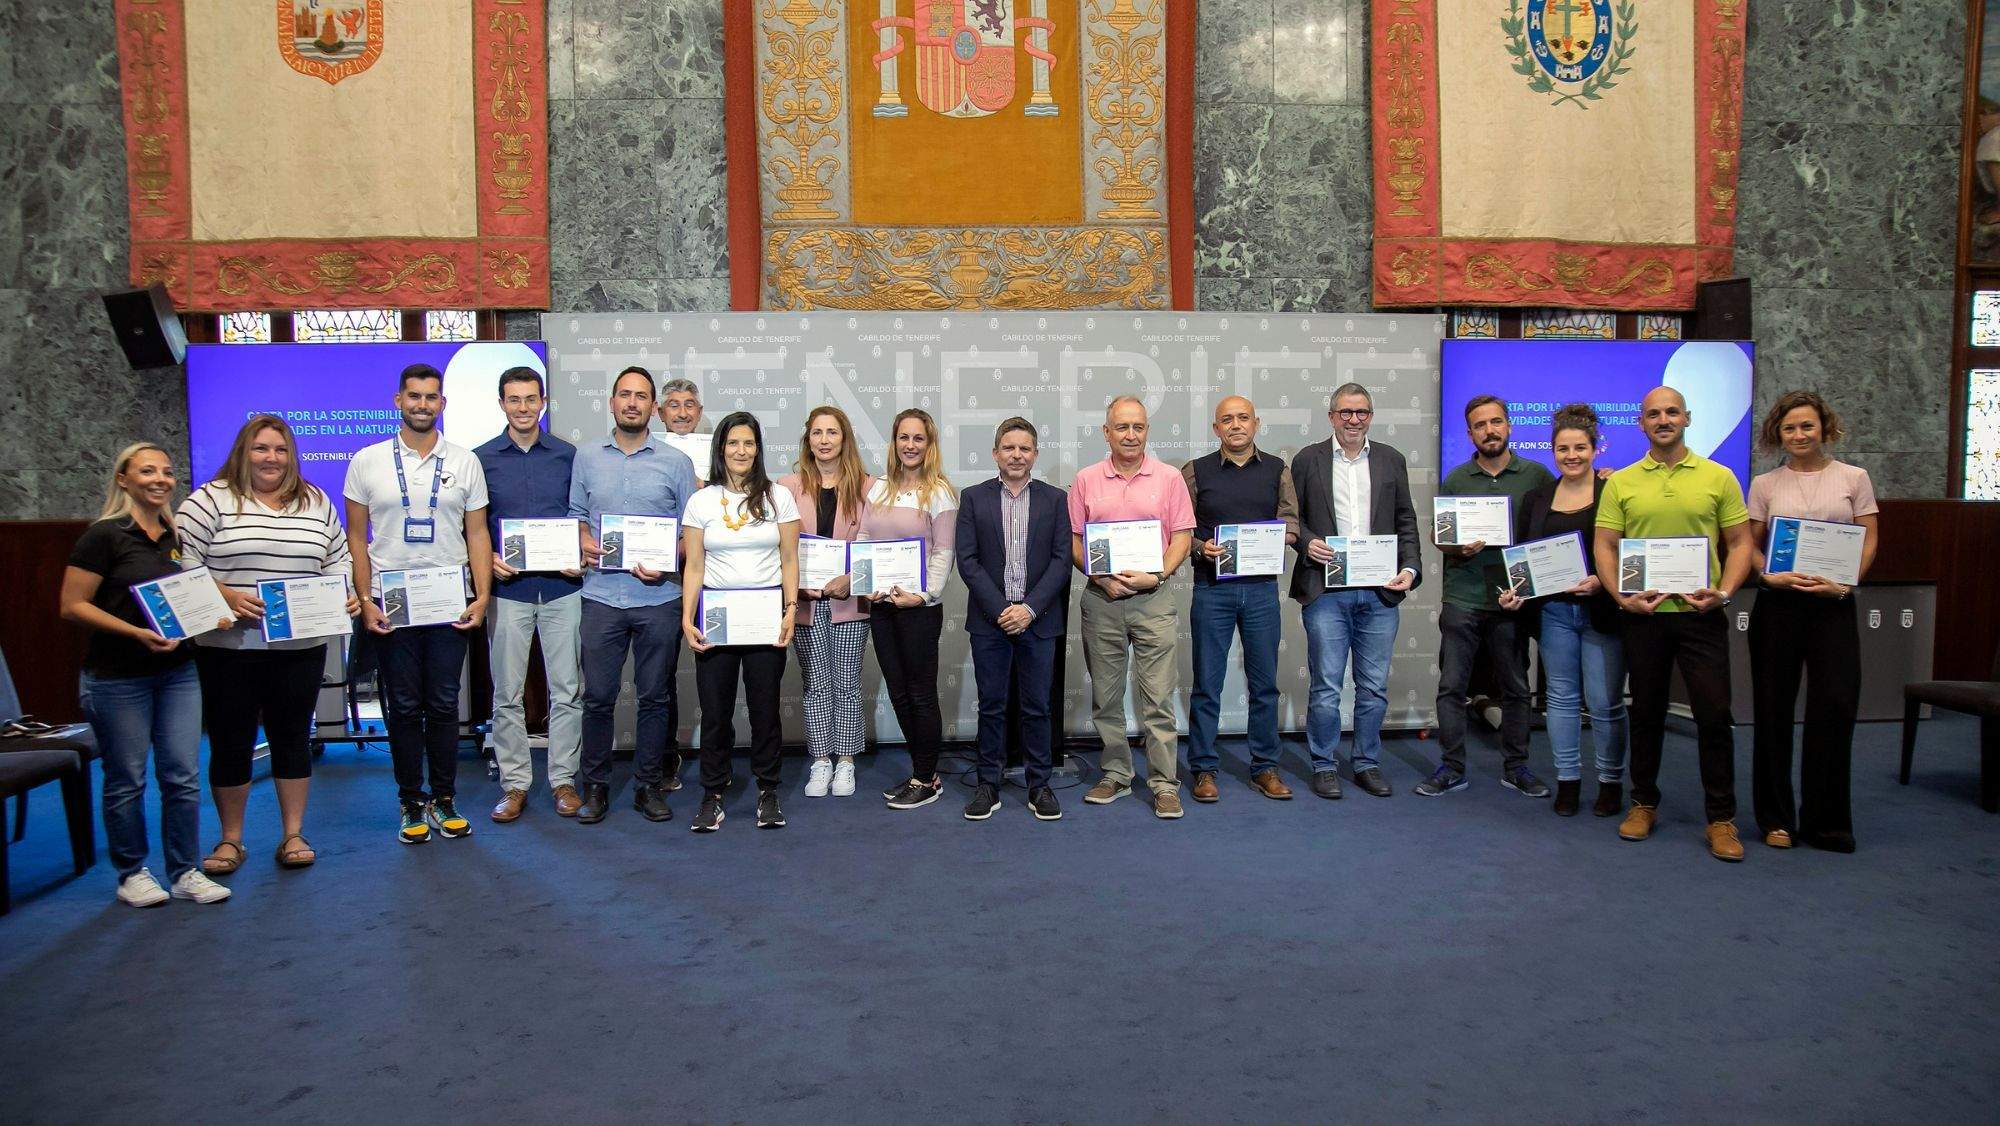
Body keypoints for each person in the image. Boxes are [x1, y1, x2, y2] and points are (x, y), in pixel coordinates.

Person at [179, 415, 356, 874]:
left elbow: (339, 557)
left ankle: (293, 834)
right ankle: (230, 840)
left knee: (293, 738)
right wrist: (225, 595)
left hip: (299, 648)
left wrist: (344, 594)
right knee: (231, 741)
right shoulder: (210, 500)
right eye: (261, 448)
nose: (271, 458)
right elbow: (180, 562)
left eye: (279, 449)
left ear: (291, 455)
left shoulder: (315, 500)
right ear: (243, 451)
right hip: (228, 647)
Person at [59, 443, 232, 906]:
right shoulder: (104, 536)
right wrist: (136, 632)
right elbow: (72, 605)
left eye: (167, 472)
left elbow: (184, 599)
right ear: (123, 479)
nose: (160, 479)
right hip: (117, 678)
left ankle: (184, 871)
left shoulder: (175, 536)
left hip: (177, 673)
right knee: (127, 778)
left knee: (182, 775)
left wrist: (210, 616)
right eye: (147, 471)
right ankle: (132, 872)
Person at [1592, 385, 1754, 862]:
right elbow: (1605, 545)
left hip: (1701, 615)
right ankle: (1643, 803)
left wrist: (1723, 592)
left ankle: (1721, 819)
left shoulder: (1718, 476)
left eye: (1671, 412)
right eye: (1653, 414)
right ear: (1641, 423)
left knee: (1713, 716)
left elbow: (1741, 542)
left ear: (1687, 418)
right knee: (1645, 713)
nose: (1663, 420)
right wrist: (1622, 597)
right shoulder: (1621, 482)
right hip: (1645, 617)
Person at [344, 363, 493, 846]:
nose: (422, 404)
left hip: (451, 600)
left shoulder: (465, 461)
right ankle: (410, 800)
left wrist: (483, 594)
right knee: (404, 707)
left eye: (431, 397)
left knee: (445, 703)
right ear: (398, 400)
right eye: (414, 396)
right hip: (392, 605)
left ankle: (444, 799)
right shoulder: (366, 461)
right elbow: (356, 537)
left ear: (442, 404)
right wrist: (365, 601)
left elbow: (476, 532)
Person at [568, 366, 702, 824]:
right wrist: (583, 540)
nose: (632, 402)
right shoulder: (585, 458)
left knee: (655, 698)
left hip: (658, 599)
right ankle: (597, 789)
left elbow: (692, 532)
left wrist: (670, 560)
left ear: (653, 408)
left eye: (641, 396)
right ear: (611, 403)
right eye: (624, 395)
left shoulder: (676, 463)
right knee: (598, 697)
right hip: (601, 597)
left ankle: (649, 786)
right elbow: (577, 515)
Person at [1747, 390, 1878, 853]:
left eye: (1807, 426)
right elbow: (1751, 545)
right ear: (1777, 434)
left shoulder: (1854, 478)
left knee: (1835, 709)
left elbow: (1868, 541)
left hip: (1833, 607)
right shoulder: (1765, 484)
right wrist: (1768, 574)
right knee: (1772, 711)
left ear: (1824, 427)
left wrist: (1844, 586)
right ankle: (1776, 819)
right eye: (1789, 428)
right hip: (1779, 608)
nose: (1799, 435)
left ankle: (1827, 823)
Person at [1418, 396, 1555, 799]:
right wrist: (1455, 547)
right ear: (1470, 433)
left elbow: (1550, 530)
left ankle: (1517, 767)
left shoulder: (1537, 476)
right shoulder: (1457, 479)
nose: (1489, 430)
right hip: (1462, 597)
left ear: (1509, 426)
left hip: (1512, 599)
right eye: (1480, 425)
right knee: (1452, 687)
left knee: (1515, 687)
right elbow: (1439, 537)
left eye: (1496, 422)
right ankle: (1452, 767)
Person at [1289, 384, 1421, 799]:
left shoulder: (1391, 459)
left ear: (1370, 416)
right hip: (1326, 590)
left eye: (1361, 412)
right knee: (1327, 685)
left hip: (1380, 592)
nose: (1353, 419)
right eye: (1345, 412)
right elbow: (1292, 519)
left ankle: (1366, 762)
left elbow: (1406, 519)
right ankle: (1324, 764)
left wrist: (1412, 567)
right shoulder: (1307, 459)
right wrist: (1305, 540)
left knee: (1374, 686)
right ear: (1331, 417)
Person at [1497, 404, 1627, 817]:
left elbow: (1630, 550)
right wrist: (1515, 592)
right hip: (1554, 613)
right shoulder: (1538, 498)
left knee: (1605, 702)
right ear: (1552, 451)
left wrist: (1603, 581)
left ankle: (1610, 783)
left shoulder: (1614, 491)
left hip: (1602, 612)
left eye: (1580, 448)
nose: (1571, 456)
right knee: (1562, 700)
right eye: (1563, 449)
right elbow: (1524, 556)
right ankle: (1567, 781)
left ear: (1595, 449)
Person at [1071, 396, 1195, 818]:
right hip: (1101, 599)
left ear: (1147, 431)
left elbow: (1181, 535)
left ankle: (1164, 784)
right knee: (1106, 697)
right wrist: (1101, 576)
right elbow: (1073, 539)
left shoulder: (1169, 477)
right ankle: (1116, 775)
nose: (1130, 434)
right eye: (1122, 427)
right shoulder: (1086, 479)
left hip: (1153, 598)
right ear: (1106, 432)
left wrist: (1157, 575)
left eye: (1138, 427)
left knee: (1158, 698)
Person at [475, 366, 585, 823]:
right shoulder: (481, 459)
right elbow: (474, 527)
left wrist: (580, 548)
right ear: (501, 403)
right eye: (514, 400)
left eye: (531, 399)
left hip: (563, 589)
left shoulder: (568, 455)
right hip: (508, 591)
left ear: (543, 403)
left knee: (568, 691)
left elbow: (583, 516)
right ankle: (515, 784)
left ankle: (563, 781)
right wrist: (485, 559)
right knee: (507, 694)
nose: (523, 408)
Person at [681, 411, 800, 832]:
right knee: (715, 712)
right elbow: (694, 565)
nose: (741, 451)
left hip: (765, 619)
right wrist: (686, 618)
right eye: (733, 443)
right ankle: (712, 793)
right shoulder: (701, 501)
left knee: (765, 711)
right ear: (721, 449)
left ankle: (768, 791)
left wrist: (790, 610)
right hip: (716, 620)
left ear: (758, 449)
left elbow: (789, 559)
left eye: (748, 443)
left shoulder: (778, 497)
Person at [1182, 396, 1300, 801]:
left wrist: (1282, 537)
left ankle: (1265, 768)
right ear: (1216, 428)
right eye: (1227, 420)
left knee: (1265, 685)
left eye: (1243, 418)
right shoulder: (1195, 471)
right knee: (1207, 685)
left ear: (1256, 423)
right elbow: (1180, 529)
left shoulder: (1277, 469)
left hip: (1262, 590)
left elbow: (1290, 519)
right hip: (1211, 589)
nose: (1236, 425)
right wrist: (1200, 546)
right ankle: (1203, 769)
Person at [956, 417, 1071, 821]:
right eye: (1009, 448)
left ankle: (1039, 785)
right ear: (995, 454)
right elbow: (967, 560)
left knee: (1038, 706)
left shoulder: (1056, 499)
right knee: (992, 705)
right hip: (990, 621)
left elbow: (1061, 561)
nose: (1017, 455)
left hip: (1039, 620)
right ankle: (988, 783)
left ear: (1035, 455)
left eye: (1025, 448)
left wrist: (1028, 609)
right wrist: (1003, 609)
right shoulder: (972, 498)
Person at [860, 408, 959, 811]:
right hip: (882, 606)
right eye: (904, 437)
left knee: (920, 693)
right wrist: (867, 586)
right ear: (894, 442)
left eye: (919, 438)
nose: (911, 445)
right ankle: (923, 773)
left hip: (918, 609)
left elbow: (943, 552)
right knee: (898, 691)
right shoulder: (878, 488)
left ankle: (926, 777)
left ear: (929, 444)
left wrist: (923, 595)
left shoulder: (940, 492)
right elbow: (865, 537)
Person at [779, 405, 874, 798]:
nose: (824, 440)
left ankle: (847, 762)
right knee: (816, 683)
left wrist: (851, 580)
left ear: (844, 438)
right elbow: (779, 547)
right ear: (808, 439)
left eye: (832, 432)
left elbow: (877, 548)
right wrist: (796, 586)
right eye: (817, 433)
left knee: (848, 683)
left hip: (850, 600)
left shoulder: (870, 487)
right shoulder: (785, 487)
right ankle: (821, 760)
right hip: (804, 602)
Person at [658, 377, 707, 485]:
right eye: (674, 406)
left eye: (689, 405)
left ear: (699, 413)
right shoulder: (648, 453)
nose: (683, 414)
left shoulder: (715, 452)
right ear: (661, 413)